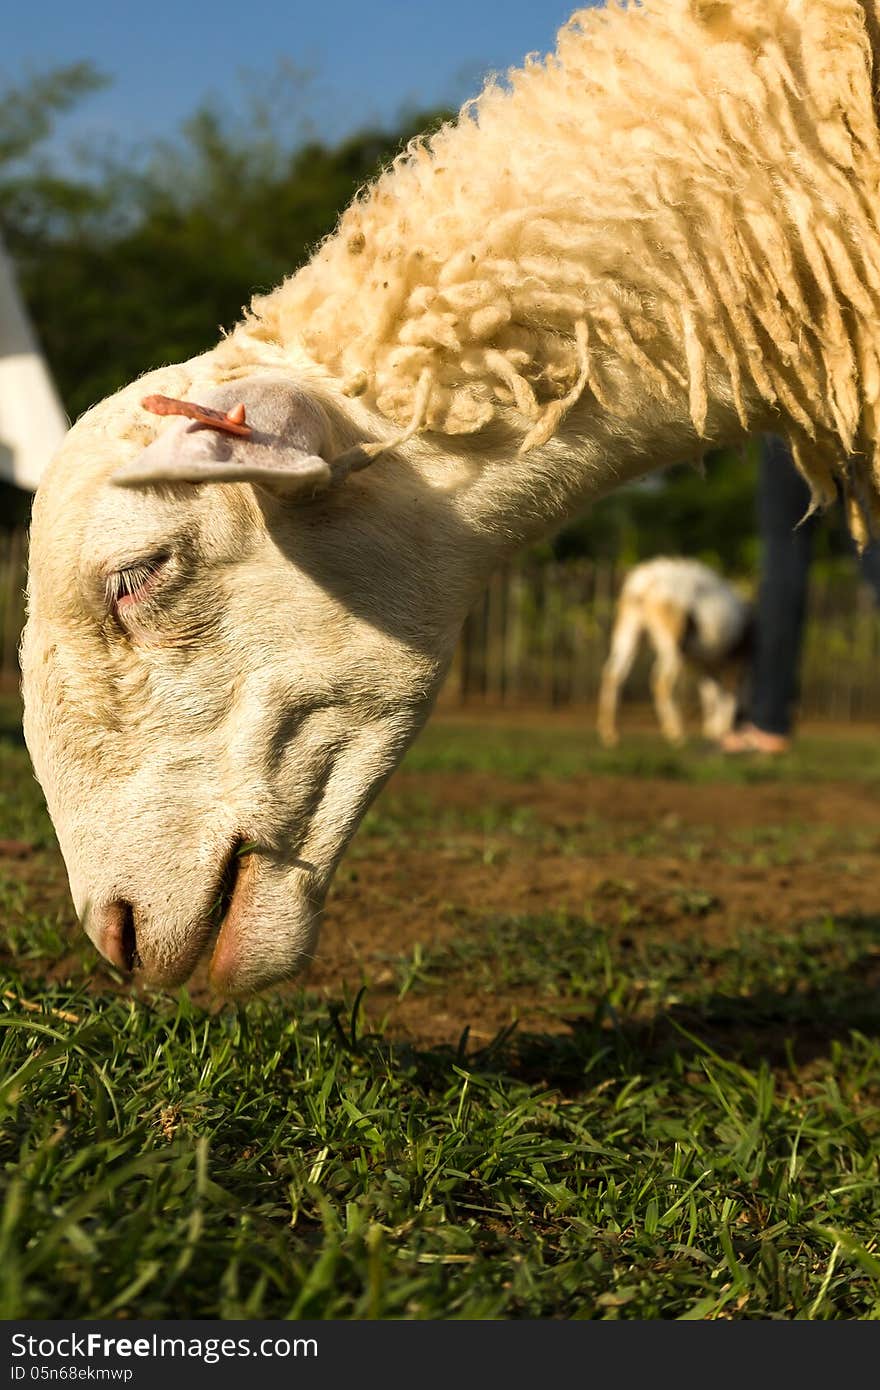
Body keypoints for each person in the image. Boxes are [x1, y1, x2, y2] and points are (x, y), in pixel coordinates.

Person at [722, 435, 880, 754]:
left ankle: (768, 722)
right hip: (863, 404)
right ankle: (767, 721)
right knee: (875, 546)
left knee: (784, 562)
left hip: (792, 412)